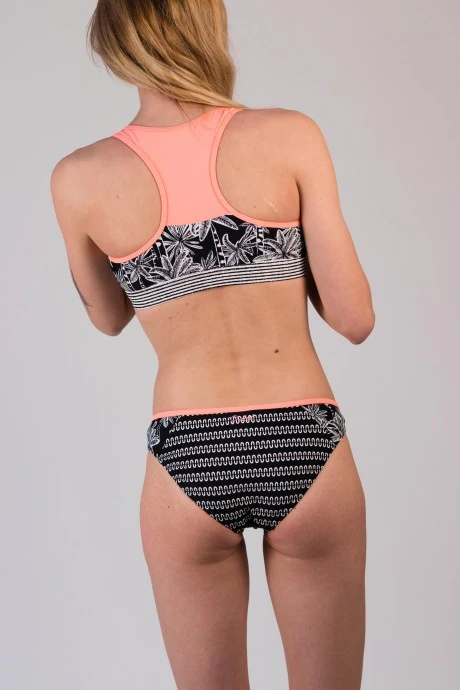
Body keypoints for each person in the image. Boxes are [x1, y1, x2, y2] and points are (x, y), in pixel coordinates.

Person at [50, 1, 373, 688]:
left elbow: (108, 317)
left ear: (114, 44)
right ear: (208, 27)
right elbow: (354, 317)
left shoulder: (77, 178)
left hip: (187, 454)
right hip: (303, 438)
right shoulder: (288, 136)